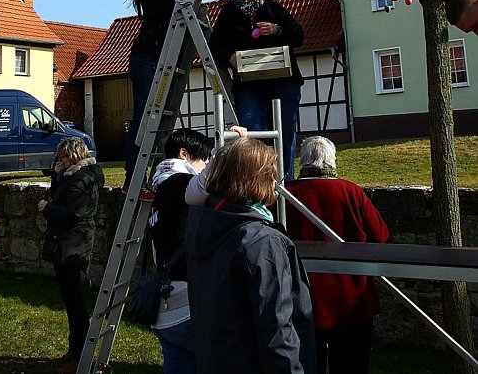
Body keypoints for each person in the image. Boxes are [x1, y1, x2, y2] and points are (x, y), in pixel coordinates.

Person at [124, 0, 247, 194]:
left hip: (164, 56)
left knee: (155, 119)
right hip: (146, 56)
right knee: (144, 117)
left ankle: (149, 175)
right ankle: (132, 179)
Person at [185, 137, 315, 374]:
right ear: (257, 178)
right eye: (272, 173)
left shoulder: (205, 225)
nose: (276, 180)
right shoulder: (262, 241)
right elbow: (278, 331)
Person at [283, 136, 389, 374]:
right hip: (352, 296)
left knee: (308, 365)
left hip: (304, 298)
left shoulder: (286, 195)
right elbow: (380, 235)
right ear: (331, 160)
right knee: (352, 366)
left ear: (304, 161)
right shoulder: (351, 192)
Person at [209, 0, 305, 180]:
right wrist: (229, 57)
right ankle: (258, 185)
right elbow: (214, 47)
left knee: (285, 134)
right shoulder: (228, 13)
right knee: (252, 134)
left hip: (283, 81)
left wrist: (277, 29)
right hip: (249, 85)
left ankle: (284, 184)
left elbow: (298, 35)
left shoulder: (272, 6)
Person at [37, 137, 104, 374]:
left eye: (62, 157)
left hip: (71, 243)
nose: (59, 161)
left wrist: (47, 208)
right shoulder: (78, 175)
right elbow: (62, 197)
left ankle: (80, 355)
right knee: (72, 300)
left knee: (74, 301)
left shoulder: (80, 180)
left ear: (73, 157)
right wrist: (56, 177)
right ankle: (74, 350)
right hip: (73, 241)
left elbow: (72, 213)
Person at [149, 128, 213, 374]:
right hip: (186, 304)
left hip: (164, 306)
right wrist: (230, 147)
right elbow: (210, 181)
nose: (204, 166)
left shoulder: (161, 188)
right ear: (184, 154)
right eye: (203, 160)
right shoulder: (179, 184)